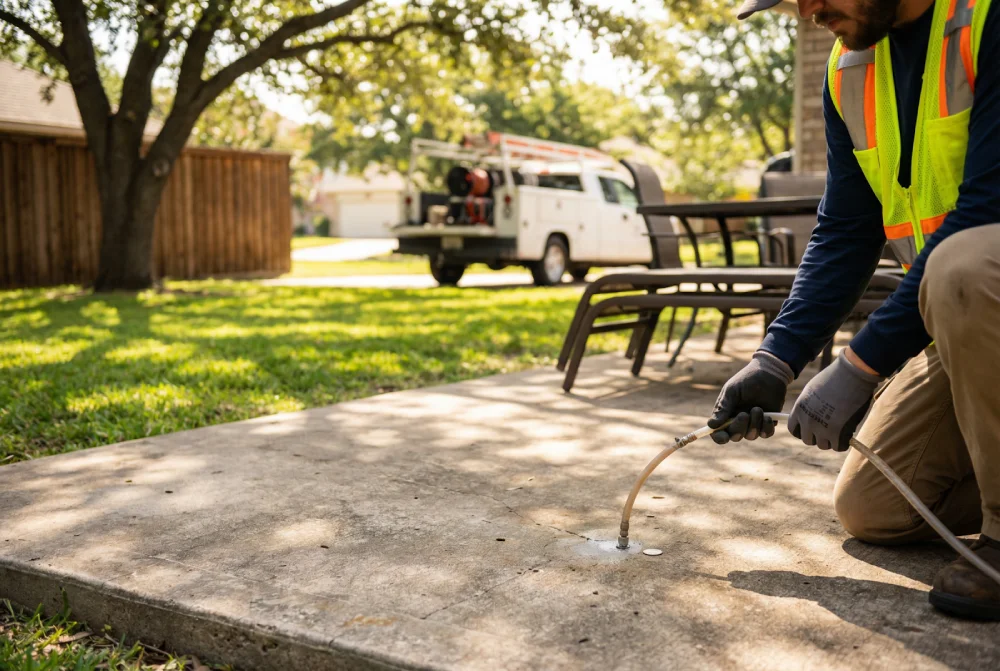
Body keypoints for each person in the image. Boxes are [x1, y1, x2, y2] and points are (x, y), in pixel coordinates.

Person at [714, 0, 1000, 619]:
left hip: (979, 287)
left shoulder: (986, 18)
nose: (808, 12)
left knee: (964, 262)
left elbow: (988, 208)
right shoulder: (850, 68)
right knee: (877, 507)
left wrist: (860, 365)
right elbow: (846, 228)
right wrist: (776, 357)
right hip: (962, 322)